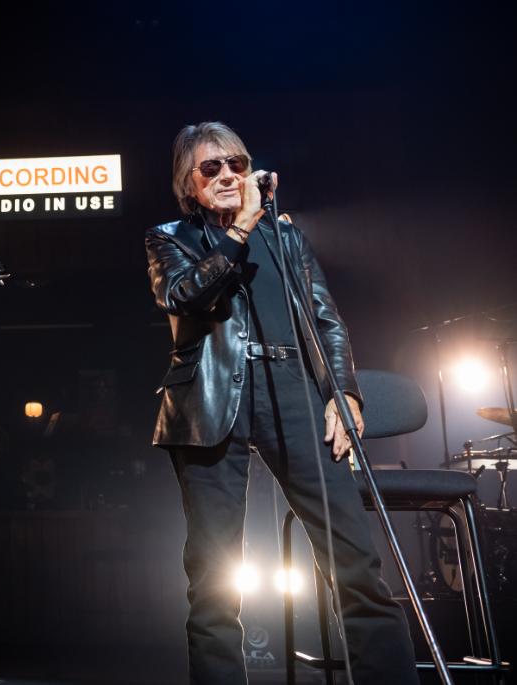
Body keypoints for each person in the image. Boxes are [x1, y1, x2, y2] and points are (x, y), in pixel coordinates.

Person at [145, 122, 418, 684]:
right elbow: (185, 296)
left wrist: (341, 390)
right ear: (187, 183)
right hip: (209, 402)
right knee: (215, 573)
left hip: (293, 389)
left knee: (354, 561)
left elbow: (326, 318)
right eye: (211, 168)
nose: (227, 175)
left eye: (237, 164)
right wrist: (239, 229)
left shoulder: (285, 235)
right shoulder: (168, 237)